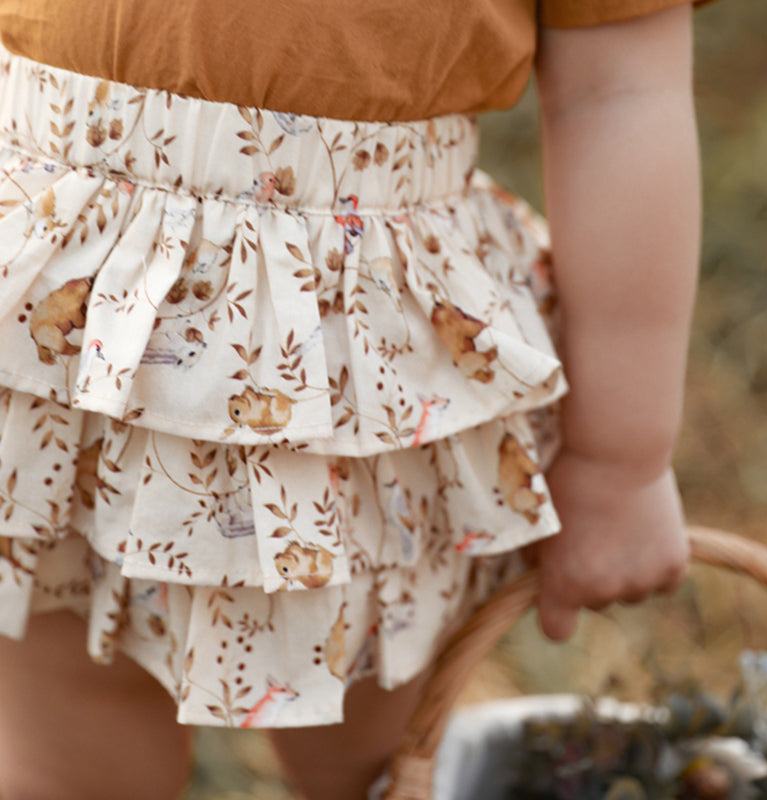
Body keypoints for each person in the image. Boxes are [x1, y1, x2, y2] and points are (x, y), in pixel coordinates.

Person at [0, 0, 710, 798]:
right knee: (69, 746)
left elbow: (619, 92)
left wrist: (622, 462)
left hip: (358, 355)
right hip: (64, 293)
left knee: (371, 748)